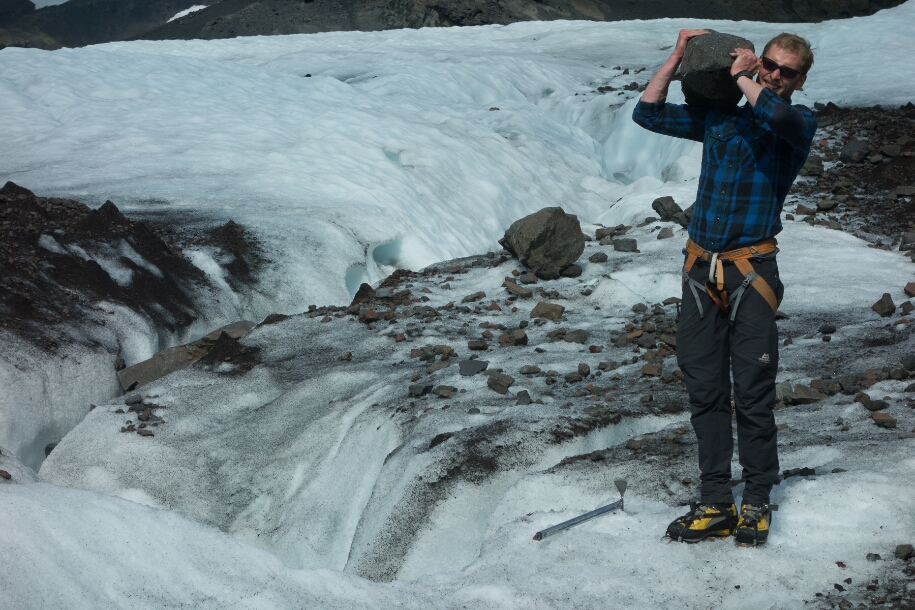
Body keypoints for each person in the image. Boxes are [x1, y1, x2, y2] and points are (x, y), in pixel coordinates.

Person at [632, 31, 817, 545]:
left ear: (801, 80)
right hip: (699, 270)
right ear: (763, 62)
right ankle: (715, 502)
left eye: (787, 72)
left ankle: (756, 500)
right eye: (770, 66)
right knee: (705, 392)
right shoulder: (721, 118)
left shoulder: (798, 122)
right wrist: (677, 56)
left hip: (751, 272)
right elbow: (647, 113)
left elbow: (777, 116)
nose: (775, 76)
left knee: (753, 394)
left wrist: (740, 76)